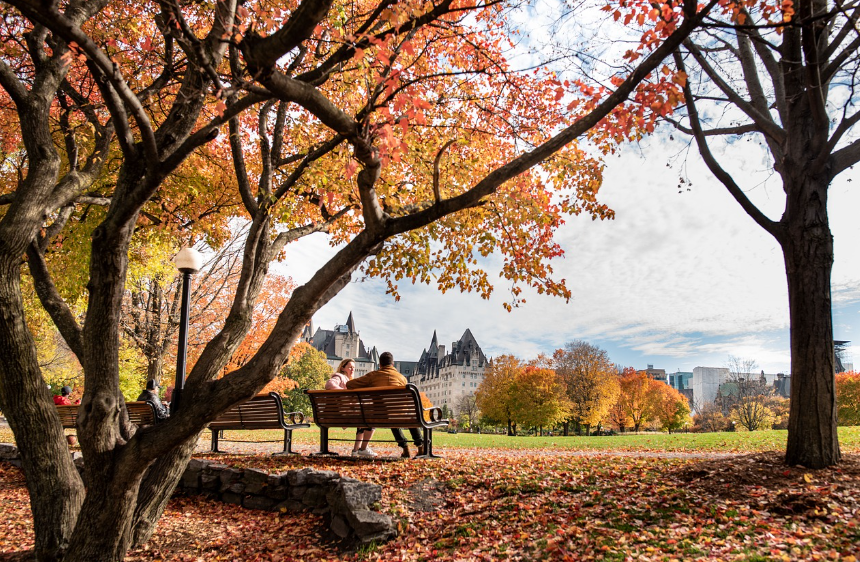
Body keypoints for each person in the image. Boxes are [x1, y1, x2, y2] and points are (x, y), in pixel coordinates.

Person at [346, 351, 425, 458]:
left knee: (389, 414)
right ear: (392, 364)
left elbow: (350, 384)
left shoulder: (373, 376)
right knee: (400, 415)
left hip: (380, 415)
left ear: (380, 364)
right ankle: (420, 446)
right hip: (400, 414)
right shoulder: (402, 378)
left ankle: (405, 447)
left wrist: (369, 387)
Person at [325, 358, 376, 457]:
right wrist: (345, 393)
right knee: (368, 417)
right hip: (339, 414)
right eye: (350, 367)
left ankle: (356, 450)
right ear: (343, 368)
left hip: (338, 413)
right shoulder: (339, 376)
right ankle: (361, 449)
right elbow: (329, 384)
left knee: (363, 418)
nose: (352, 370)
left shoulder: (349, 380)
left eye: (354, 368)